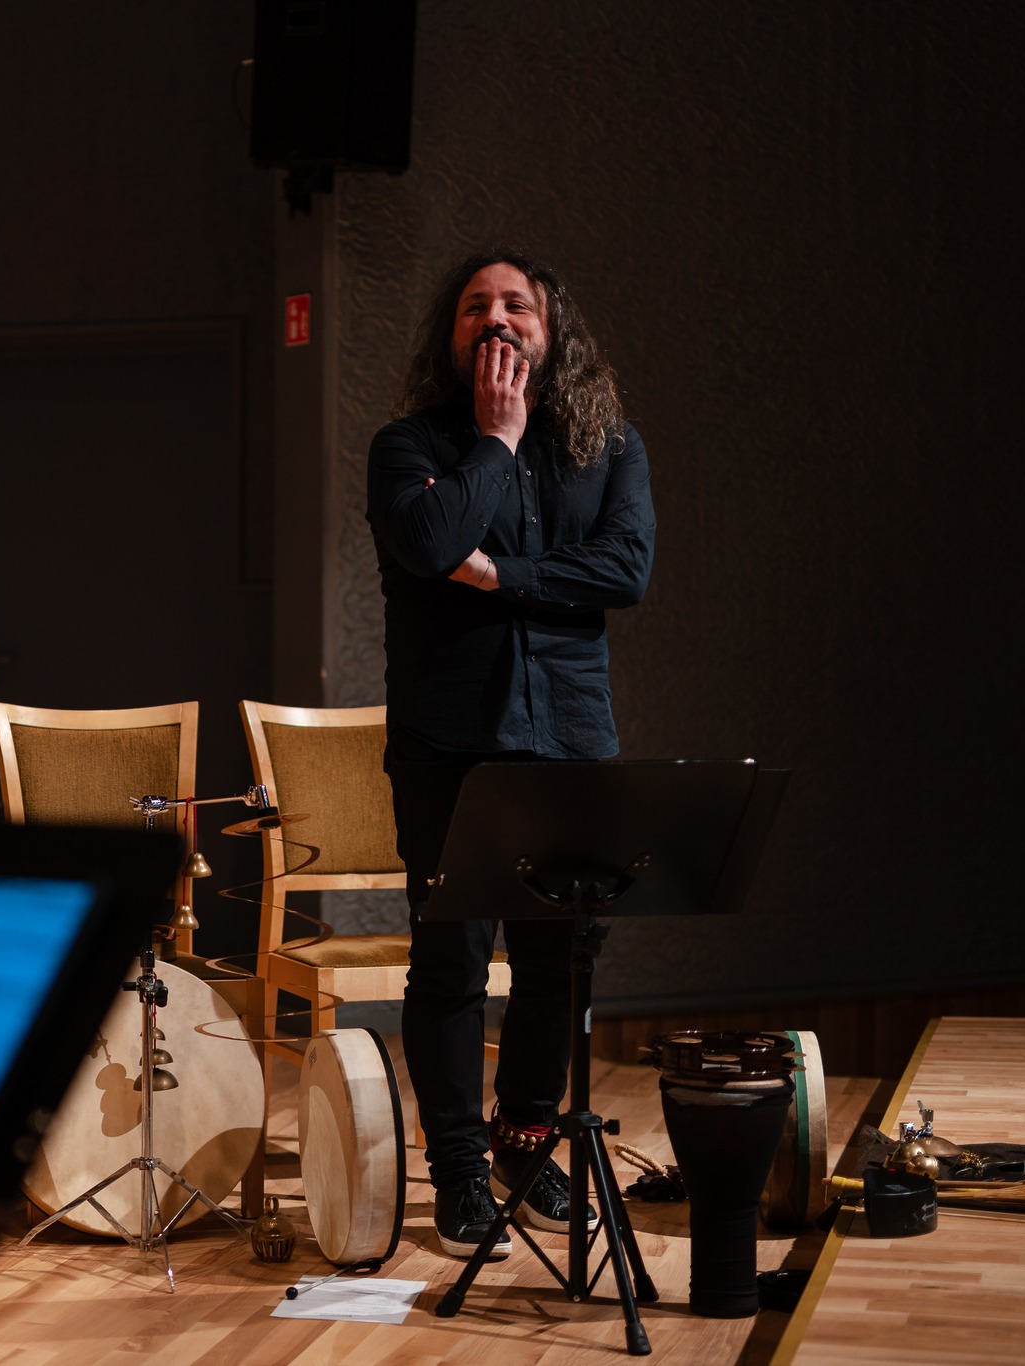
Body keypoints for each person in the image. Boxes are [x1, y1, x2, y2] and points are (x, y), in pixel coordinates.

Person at [365, 247, 655, 1257]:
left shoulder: (607, 444)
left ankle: (523, 1150)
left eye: (515, 305)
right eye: (474, 307)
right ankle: (456, 1170)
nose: (495, 319)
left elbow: (624, 570)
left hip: (568, 741)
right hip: (450, 747)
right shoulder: (408, 446)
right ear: (449, 336)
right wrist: (495, 440)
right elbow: (431, 541)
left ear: (549, 326)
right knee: (450, 963)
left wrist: (505, 576)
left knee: (559, 964)